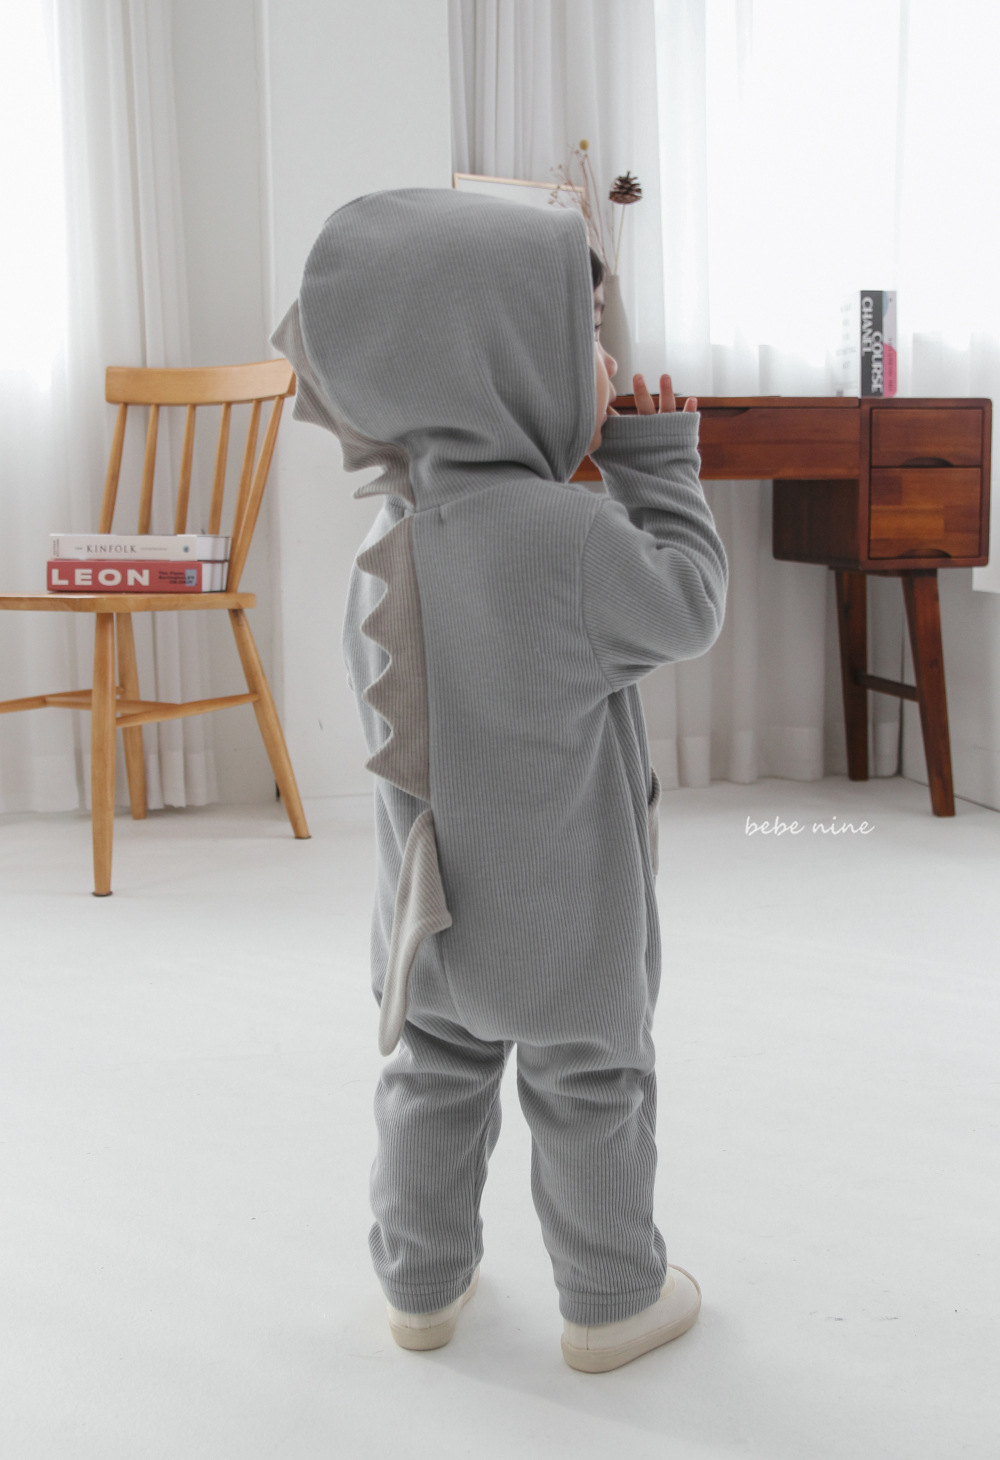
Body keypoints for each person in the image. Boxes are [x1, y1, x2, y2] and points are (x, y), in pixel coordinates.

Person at [272, 187, 728, 1373]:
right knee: (592, 1085)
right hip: (563, 916)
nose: (608, 361)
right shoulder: (564, 535)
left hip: (425, 912)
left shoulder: (382, 539)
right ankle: (611, 1301)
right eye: (583, 336)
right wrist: (658, 463)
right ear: (502, 362)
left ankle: (419, 1290)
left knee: (432, 1076)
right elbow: (688, 607)